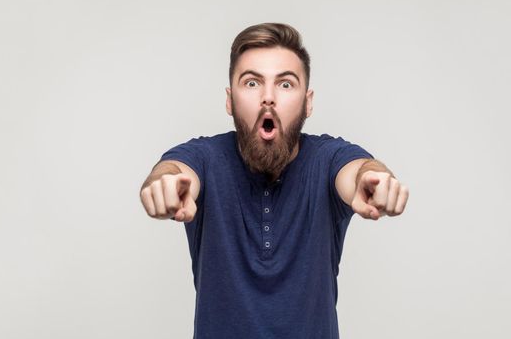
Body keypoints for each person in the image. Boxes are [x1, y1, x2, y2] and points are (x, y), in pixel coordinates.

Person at [139, 22, 409, 339]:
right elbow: (175, 170)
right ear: (230, 100)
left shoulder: (328, 158)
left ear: (308, 102)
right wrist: (165, 183)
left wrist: (373, 180)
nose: (268, 98)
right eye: (252, 83)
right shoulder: (206, 157)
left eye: (285, 84)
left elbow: (358, 170)